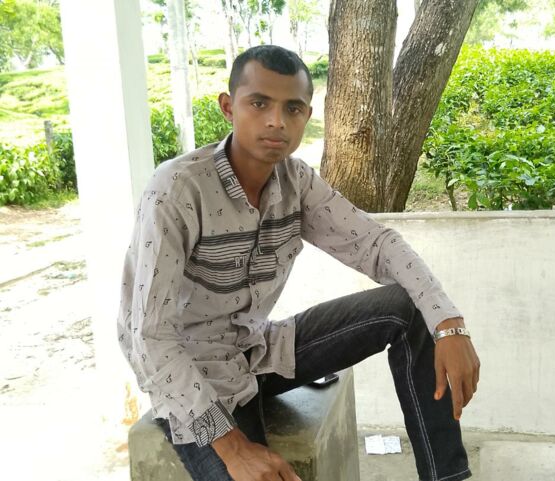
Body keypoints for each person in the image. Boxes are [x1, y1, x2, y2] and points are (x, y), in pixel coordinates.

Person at [117, 45, 480, 481]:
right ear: (229, 107)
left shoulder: (296, 181)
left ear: (307, 115)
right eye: (259, 104)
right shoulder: (178, 189)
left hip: (261, 351)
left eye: (292, 108)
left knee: (410, 309)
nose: (277, 121)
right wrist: (234, 448)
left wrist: (450, 324)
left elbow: (376, 243)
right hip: (198, 381)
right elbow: (149, 337)